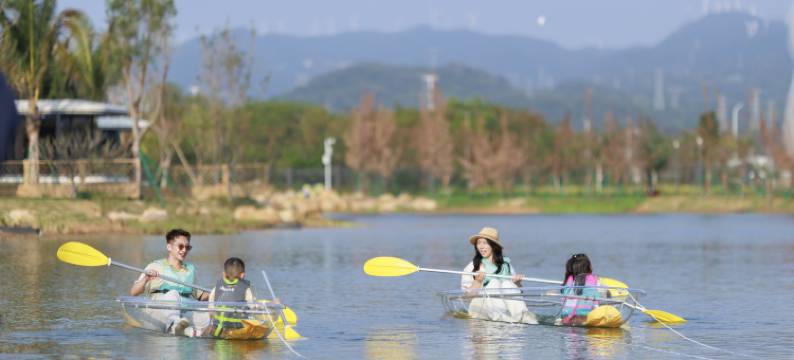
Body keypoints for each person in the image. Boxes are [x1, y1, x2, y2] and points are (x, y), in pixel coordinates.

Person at [129, 229, 210, 335]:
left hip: (185, 313)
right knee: (173, 294)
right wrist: (146, 279)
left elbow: (201, 296)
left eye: (187, 247)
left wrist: (217, 293)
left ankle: (188, 330)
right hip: (159, 313)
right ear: (169, 247)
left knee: (207, 316)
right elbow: (133, 292)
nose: (184, 250)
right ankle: (174, 325)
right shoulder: (155, 266)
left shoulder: (191, 270)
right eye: (180, 246)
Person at [460, 227, 536, 324]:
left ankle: (524, 318)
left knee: (507, 284)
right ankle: (503, 319)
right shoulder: (472, 267)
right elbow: (466, 298)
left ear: (494, 246)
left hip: (504, 306)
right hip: (480, 308)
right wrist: (478, 281)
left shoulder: (506, 265)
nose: (481, 247)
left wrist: (517, 283)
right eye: (479, 243)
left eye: (485, 243)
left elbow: (519, 293)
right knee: (494, 282)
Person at [559, 253, 603, 325]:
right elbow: (598, 297)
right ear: (588, 267)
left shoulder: (570, 279)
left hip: (566, 316)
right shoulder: (594, 279)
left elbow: (564, 296)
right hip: (585, 316)